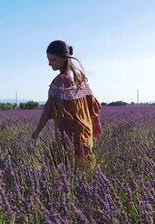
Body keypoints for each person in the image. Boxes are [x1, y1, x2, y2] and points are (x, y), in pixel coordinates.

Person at [31, 40, 103, 171]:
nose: (49, 63)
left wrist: (37, 132)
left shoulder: (60, 80)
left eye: (53, 60)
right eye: (48, 59)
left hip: (68, 133)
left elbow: (48, 110)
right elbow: (91, 103)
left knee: (64, 169)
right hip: (85, 130)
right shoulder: (80, 76)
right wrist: (96, 121)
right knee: (85, 168)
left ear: (64, 58)